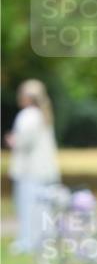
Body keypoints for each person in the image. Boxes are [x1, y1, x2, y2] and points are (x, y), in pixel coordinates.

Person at [5, 79, 59, 254]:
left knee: (28, 207)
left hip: (30, 171)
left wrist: (12, 140)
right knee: (43, 208)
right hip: (45, 170)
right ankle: (43, 240)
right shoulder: (43, 114)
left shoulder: (28, 115)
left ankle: (28, 242)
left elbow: (24, 141)